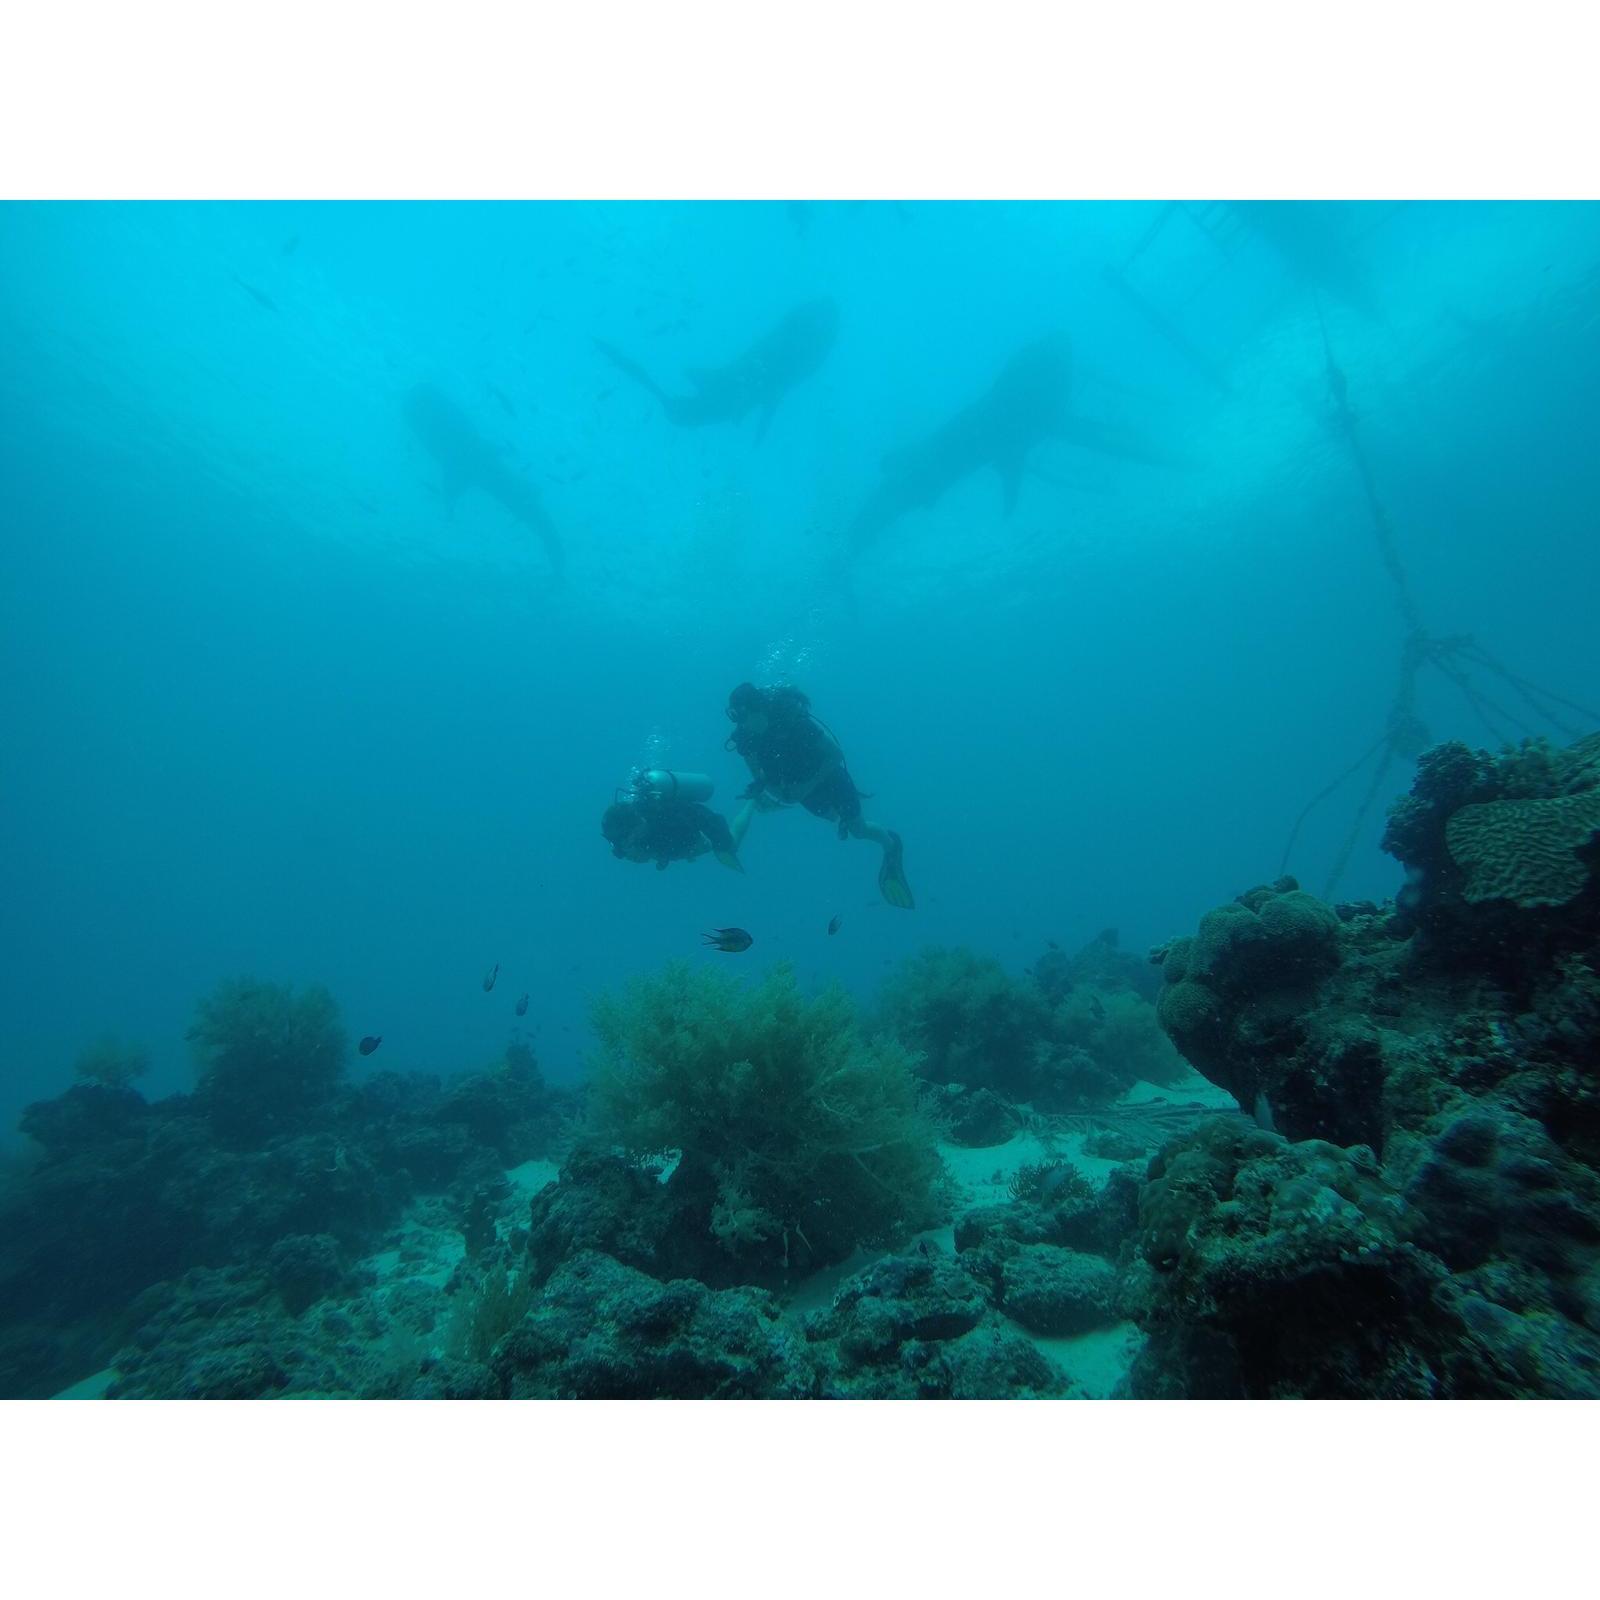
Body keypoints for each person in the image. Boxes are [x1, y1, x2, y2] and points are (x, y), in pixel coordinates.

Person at [723, 682, 914, 908]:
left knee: (858, 830)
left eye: (744, 717)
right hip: (797, 787)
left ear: (759, 708)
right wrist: (780, 794)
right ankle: (842, 818)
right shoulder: (745, 738)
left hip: (830, 776)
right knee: (832, 817)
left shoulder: (794, 722)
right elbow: (758, 775)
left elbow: (836, 755)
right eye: (737, 719)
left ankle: (891, 845)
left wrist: (805, 787)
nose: (742, 725)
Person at [601, 770, 743, 872]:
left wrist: (672, 853)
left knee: (729, 846)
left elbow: (702, 845)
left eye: (626, 844)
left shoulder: (668, 824)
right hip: (680, 826)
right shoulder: (639, 827)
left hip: (703, 819)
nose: (626, 854)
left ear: (637, 829)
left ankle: (751, 802)